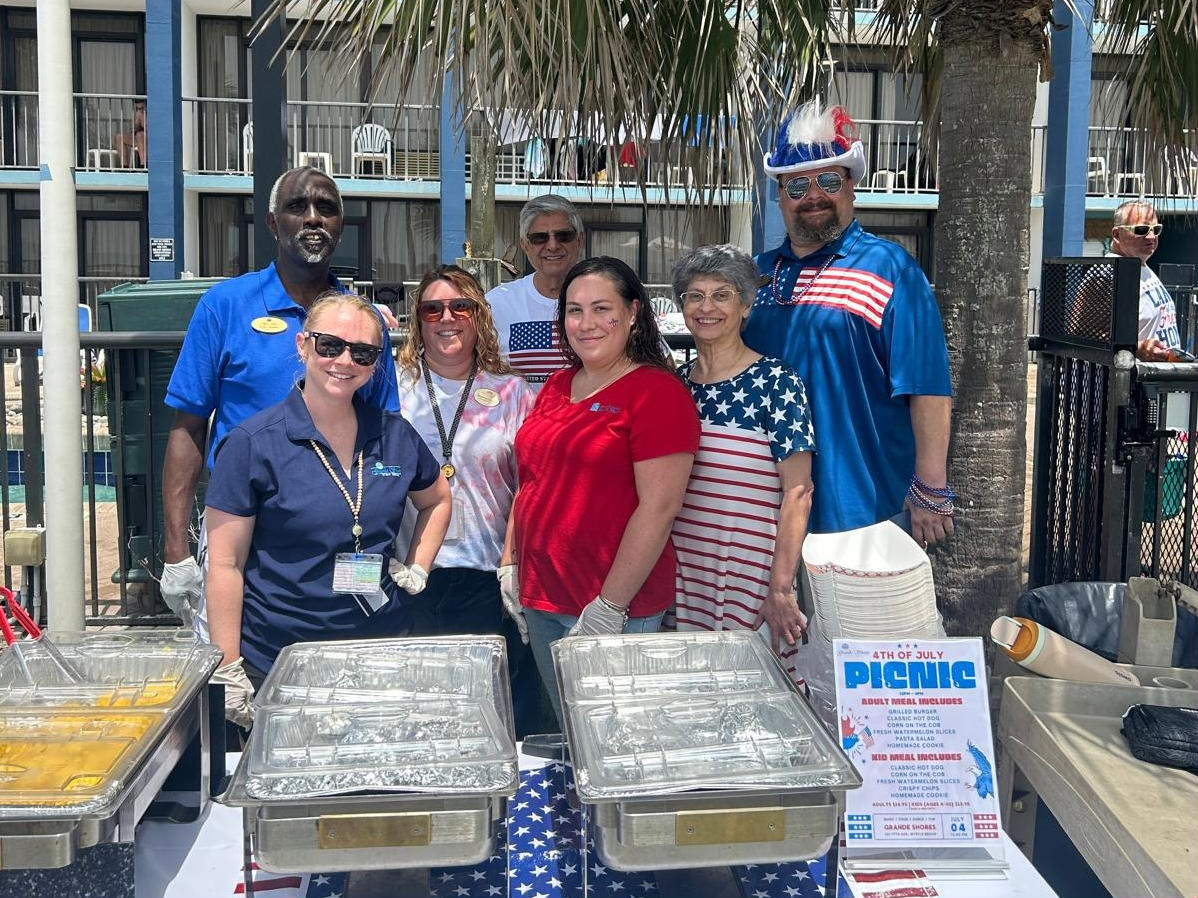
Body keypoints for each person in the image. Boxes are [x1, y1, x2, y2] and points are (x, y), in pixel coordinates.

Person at [160, 166, 400, 631]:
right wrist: (175, 550)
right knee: (235, 678)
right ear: (273, 223)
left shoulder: (364, 324)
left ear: (339, 227)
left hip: (336, 537)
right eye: (297, 207)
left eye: (326, 209)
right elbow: (187, 428)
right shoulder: (224, 306)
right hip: (241, 531)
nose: (313, 218)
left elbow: (385, 435)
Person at [204, 293, 451, 726]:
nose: (345, 361)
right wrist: (227, 667)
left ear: (376, 362)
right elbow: (225, 564)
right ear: (303, 345)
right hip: (281, 659)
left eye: (363, 352)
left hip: (378, 651)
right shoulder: (253, 443)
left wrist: (418, 567)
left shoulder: (394, 436)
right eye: (330, 345)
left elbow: (437, 499)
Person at [743, 100, 954, 548]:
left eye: (828, 180)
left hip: (865, 511)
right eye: (797, 184)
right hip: (762, 515)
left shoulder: (891, 268)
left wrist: (931, 487)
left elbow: (928, 387)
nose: (813, 195)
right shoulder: (754, 277)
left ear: (851, 187)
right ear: (779, 195)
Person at [506, 257, 700, 724]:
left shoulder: (657, 392)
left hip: (611, 607)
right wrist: (510, 564)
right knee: (571, 735)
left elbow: (660, 507)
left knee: (617, 741)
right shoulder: (556, 385)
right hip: (541, 596)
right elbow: (530, 480)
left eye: (601, 309)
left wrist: (610, 606)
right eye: (574, 311)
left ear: (633, 312)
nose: (586, 324)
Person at [395, 265, 546, 735]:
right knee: (423, 711)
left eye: (460, 306)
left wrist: (512, 561)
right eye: (432, 308)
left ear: (478, 315)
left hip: (487, 575)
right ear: (418, 319)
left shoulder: (511, 391)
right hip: (411, 573)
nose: (447, 318)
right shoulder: (393, 388)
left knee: (493, 712)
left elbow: (530, 484)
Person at [669, 245, 815, 680]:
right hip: (683, 576)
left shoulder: (776, 382)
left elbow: (799, 491)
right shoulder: (675, 387)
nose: (707, 307)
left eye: (723, 294)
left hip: (751, 576)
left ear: (747, 306)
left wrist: (780, 587)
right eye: (695, 296)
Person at [486, 195, 585, 390]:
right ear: (524, 245)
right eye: (539, 238)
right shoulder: (495, 304)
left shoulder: (609, 301)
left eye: (563, 236)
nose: (552, 245)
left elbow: (655, 363)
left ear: (579, 240)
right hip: (521, 420)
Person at [1108, 200, 1182, 361]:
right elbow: (1079, 334)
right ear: (1117, 234)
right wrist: (1135, 348)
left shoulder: (1139, 265)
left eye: (1156, 230)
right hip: (1126, 383)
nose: (1151, 237)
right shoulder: (1108, 273)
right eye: (1141, 230)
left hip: (1157, 380)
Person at [116, 99, 146, 168]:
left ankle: (143, 165)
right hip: (140, 139)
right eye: (138, 108)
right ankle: (124, 166)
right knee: (119, 137)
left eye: (142, 108)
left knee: (140, 135)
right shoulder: (139, 114)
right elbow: (135, 129)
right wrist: (137, 122)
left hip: (149, 138)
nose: (140, 110)